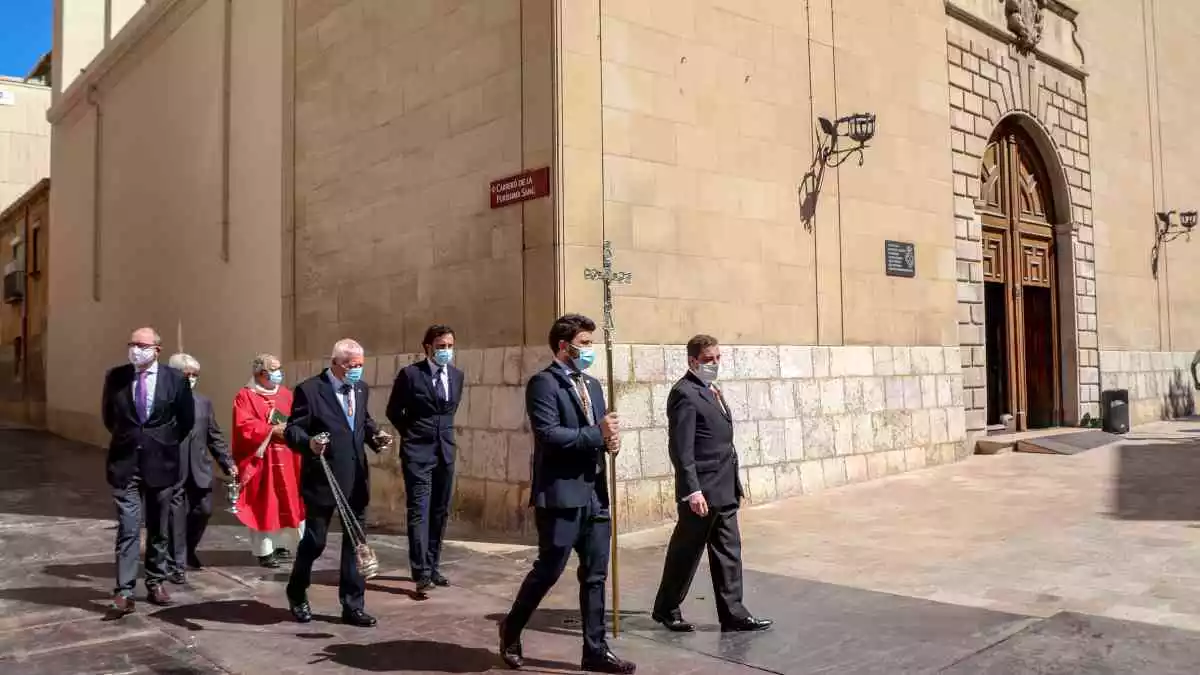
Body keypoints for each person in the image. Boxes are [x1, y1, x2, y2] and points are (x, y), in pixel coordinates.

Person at [499, 314, 634, 674]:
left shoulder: (592, 384)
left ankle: (595, 649)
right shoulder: (543, 384)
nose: (589, 350)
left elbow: (600, 433)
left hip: (595, 495)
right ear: (564, 345)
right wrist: (597, 433)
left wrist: (612, 443)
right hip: (560, 495)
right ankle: (511, 628)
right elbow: (550, 435)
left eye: (590, 343)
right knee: (549, 570)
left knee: (595, 575)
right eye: (585, 343)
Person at [651, 334, 772, 634]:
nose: (714, 364)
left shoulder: (711, 389)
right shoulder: (684, 393)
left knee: (729, 551)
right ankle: (667, 608)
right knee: (686, 552)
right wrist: (692, 490)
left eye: (718, 358)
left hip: (725, 486)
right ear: (692, 361)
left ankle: (734, 614)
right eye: (708, 360)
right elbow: (681, 448)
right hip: (702, 491)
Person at [284, 339, 392, 628]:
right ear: (335, 363)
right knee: (315, 541)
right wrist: (310, 443)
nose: (357, 370)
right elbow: (293, 429)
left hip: (355, 479)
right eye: (351, 366)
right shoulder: (310, 390)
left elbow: (361, 422)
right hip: (323, 479)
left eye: (360, 365)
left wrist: (376, 436)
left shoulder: (361, 388)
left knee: (356, 543)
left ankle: (353, 605)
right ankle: (296, 590)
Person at [101, 327, 195, 614]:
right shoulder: (116, 377)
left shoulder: (175, 380)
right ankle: (124, 591)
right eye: (131, 343)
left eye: (141, 344)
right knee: (128, 528)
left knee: (158, 527)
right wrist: (132, 440)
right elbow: (109, 417)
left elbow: (185, 421)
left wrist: (161, 443)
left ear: (157, 349)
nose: (135, 349)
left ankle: (155, 581)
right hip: (125, 463)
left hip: (161, 464)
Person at [385, 324, 463, 593]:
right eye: (441, 346)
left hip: (445, 451)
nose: (446, 351)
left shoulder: (456, 376)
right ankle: (420, 571)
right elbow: (394, 411)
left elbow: (450, 411)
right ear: (428, 347)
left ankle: (434, 565)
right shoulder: (410, 375)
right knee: (420, 510)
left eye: (450, 346)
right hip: (418, 451)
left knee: (440, 510)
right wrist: (413, 433)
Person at [165, 353, 235, 583]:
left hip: (199, 468)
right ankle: (177, 563)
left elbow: (213, 435)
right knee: (175, 516)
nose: (192, 379)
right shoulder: (162, 402)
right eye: (188, 375)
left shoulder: (203, 402)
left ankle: (187, 549)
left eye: (196, 375)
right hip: (171, 469)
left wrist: (227, 463)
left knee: (203, 510)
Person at [232, 354, 305, 568]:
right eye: (273, 369)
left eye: (279, 368)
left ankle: (284, 545)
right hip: (263, 458)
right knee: (266, 503)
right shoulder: (245, 396)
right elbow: (243, 426)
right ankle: (265, 551)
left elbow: (299, 419)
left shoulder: (286, 394)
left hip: (289, 458)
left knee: (290, 501)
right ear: (260, 373)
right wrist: (271, 429)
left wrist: (291, 429)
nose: (278, 373)